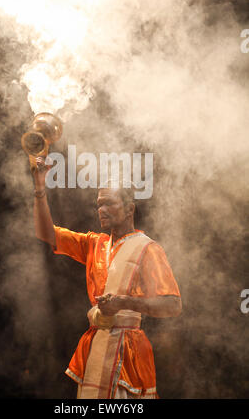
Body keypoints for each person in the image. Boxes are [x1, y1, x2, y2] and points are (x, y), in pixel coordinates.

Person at [32, 156, 182, 399]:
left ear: (130, 209)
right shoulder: (95, 243)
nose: (101, 209)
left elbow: (173, 305)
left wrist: (124, 303)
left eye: (108, 203)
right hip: (96, 348)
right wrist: (39, 188)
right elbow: (45, 232)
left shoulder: (148, 248)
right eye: (99, 204)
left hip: (128, 355)